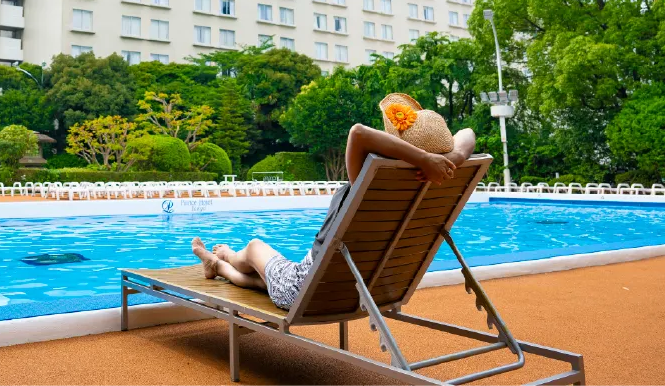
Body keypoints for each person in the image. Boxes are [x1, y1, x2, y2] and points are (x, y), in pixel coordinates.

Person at [191, 120, 477, 310]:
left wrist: (423, 159)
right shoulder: (428, 192)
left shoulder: (369, 186)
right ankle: (217, 265)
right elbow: (468, 133)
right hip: (364, 290)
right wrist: (451, 159)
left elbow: (358, 133)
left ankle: (226, 256)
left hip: (308, 290)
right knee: (260, 280)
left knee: (255, 247)